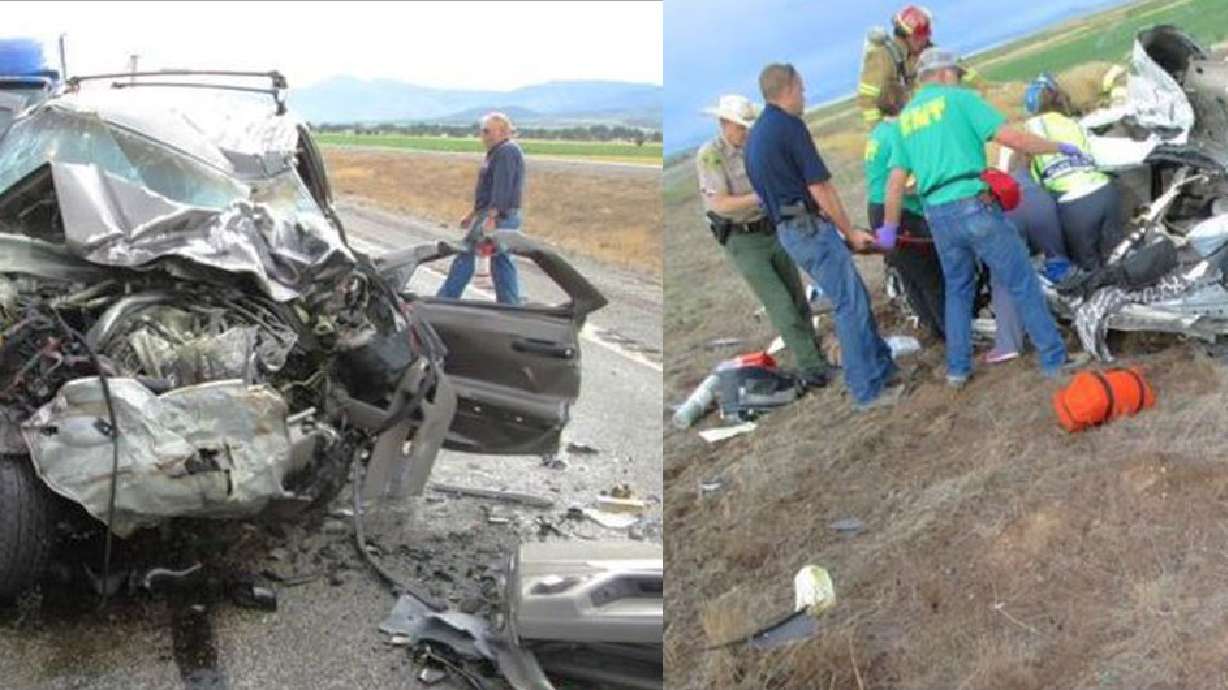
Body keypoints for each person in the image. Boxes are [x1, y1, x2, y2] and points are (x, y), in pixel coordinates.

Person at [880, 48, 1088, 388]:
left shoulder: (906, 120)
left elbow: (895, 182)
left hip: (937, 214)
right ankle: (1054, 358)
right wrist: (1059, 148)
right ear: (946, 74)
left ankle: (958, 370)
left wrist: (889, 228)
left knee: (957, 290)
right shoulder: (959, 100)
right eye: (957, 74)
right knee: (1021, 279)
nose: (958, 79)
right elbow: (1013, 138)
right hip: (972, 204)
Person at [745, 63, 902, 411]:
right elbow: (820, 187)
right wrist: (849, 232)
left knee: (854, 296)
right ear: (788, 89)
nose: (805, 96)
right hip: (809, 229)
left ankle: (883, 367)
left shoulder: (756, 136)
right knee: (850, 305)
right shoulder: (789, 127)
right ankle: (867, 390)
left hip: (790, 230)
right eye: (801, 89)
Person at [696, 94, 831, 388]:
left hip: (772, 228)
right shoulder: (711, 156)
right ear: (724, 124)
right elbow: (719, 203)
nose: (745, 132)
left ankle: (815, 357)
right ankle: (812, 367)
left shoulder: (755, 147)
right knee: (780, 304)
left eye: (747, 126)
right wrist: (761, 196)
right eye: (740, 127)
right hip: (743, 240)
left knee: (796, 297)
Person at [863, 89, 945, 340]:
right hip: (898, 211)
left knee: (909, 275)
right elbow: (904, 183)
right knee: (929, 273)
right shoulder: (898, 134)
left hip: (877, 208)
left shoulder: (877, 134)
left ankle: (932, 328)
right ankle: (950, 331)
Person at [1022, 73, 1124, 272]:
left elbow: (1036, 182)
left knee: (1090, 269)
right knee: (1117, 257)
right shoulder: (1073, 123)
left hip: (1075, 205)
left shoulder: (1029, 130)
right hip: (1104, 192)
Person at [437, 111, 525, 304]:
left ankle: (446, 299)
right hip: (494, 213)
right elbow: (488, 189)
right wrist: (472, 214)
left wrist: (492, 217)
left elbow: (503, 187)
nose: (482, 136)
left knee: (466, 253)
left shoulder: (506, 151)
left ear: (502, 131)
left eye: (487, 131)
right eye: (482, 131)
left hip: (500, 215)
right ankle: (510, 304)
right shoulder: (496, 152)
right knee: (501, 260)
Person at [855, 4, 985, 127]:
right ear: (909, 36)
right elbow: (867, 99)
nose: (927, 38)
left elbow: (956, 67)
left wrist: (983, 86)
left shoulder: (926, 50)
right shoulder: (882, 56)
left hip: (921, 117)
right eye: (923, 34)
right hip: (895, 123)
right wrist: (880, 131)